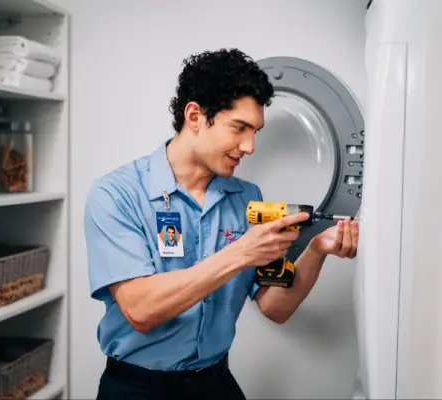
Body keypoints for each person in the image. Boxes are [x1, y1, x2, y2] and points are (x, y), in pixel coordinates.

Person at [84, 48, 360, 400]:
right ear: (195, 115)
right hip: (137, 388)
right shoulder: (116, 193)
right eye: (239, 128)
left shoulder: (247, 197)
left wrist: (317, 249)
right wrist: (242, 253)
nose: (250, 146)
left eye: (256, 131)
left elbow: (275, 306)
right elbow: (141, 310)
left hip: (215, 384)